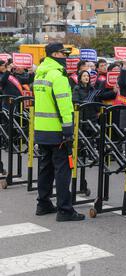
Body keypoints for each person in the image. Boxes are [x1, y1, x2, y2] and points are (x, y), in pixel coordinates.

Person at [33, 43, 85, 222]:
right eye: (64, 54)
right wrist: (68, 130)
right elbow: (64, 105)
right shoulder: (59, 76)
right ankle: (65, 209)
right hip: (57, 130)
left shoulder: (40, 73)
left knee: (45, 168)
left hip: (41, 129)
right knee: (63, 169)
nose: (66, 57)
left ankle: (43, 203)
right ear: (55, 54)